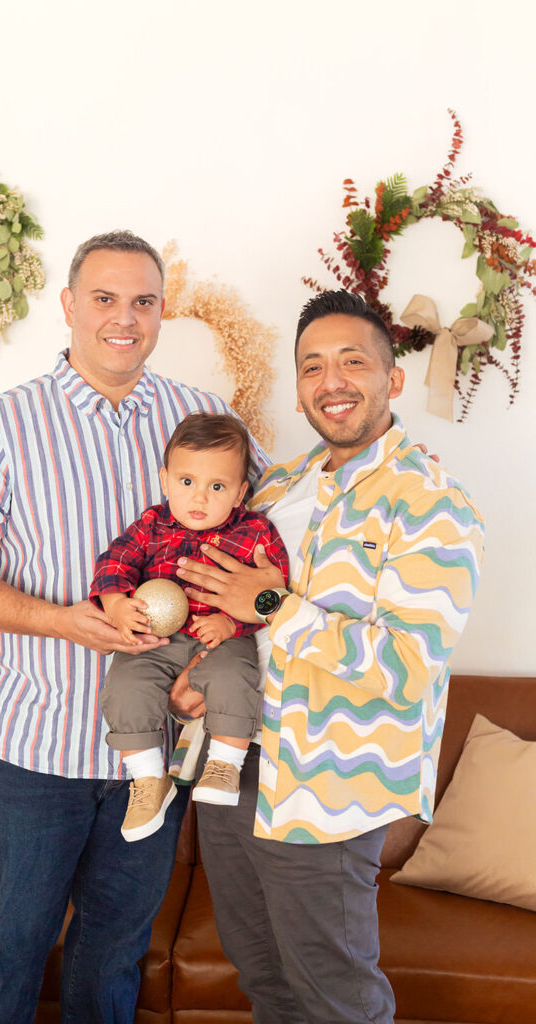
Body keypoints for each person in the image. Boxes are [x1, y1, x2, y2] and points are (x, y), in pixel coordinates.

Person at [0, 230, 269, 1024]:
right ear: (69, 306)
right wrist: (60, 621)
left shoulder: (204, 418)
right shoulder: (2, 426)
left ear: (160, 312)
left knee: (115, 958)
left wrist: (205, 660)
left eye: (143, 301)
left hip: (154, 755)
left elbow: (257, 555)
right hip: (34, 754)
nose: (125, 317)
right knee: (5, 956)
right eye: (105, 298)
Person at [174, 289, 485, 1024]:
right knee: (262, 979)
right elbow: (224, 608)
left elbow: (407, 667)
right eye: (311, 366)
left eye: (351, 361)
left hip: (324, 794)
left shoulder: (432, 503)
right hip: (231, 762)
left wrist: (272, 605)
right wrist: (192, 675)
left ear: (391, 379)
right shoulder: (277, 484)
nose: (330, 381)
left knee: (334, 999)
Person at [90, 412, 289, 841]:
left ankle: (224, 766)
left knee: (235, 676)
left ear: (240, 493)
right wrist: (116, 603)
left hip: (221, 638)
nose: (199, 497)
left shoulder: (256, 532)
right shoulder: (152, 525)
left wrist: (232, 620)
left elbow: (275, 590)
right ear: (165, 480)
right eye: (186, 482)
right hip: (156, 638)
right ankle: (146, 780)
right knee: (124, 684)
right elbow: (114, 562)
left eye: (216, 487)